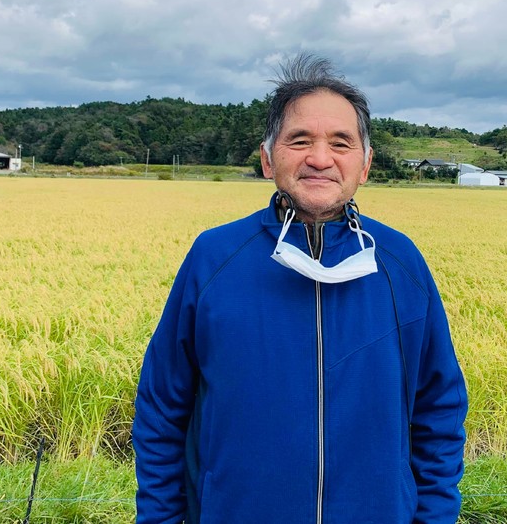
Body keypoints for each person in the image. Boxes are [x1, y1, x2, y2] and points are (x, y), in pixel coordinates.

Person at [132, 54, 468, 524]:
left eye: (341, 143)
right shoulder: (215, 257)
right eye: (299, 140)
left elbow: (440, 409)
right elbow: (161, 407)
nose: (320, 158)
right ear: (268, 158)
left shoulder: (399, 262)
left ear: (365, 164)